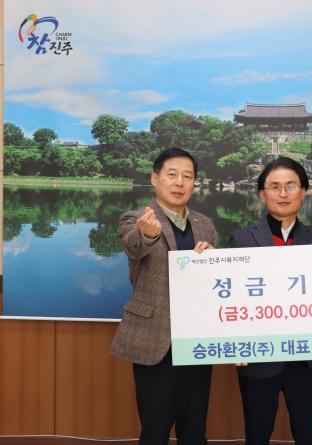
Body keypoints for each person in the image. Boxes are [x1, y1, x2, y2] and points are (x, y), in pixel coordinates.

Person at [229, 156, 312, 445]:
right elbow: (231, 298)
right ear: (262, 194)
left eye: (291, 186)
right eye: (274, 187)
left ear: (304, 192)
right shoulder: (241, 240)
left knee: (308, 433)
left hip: (306, 358)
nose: (283, 193)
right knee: (256, 435)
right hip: (258, 356)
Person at [110, 148, 218, 445]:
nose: (179, 183)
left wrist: (214, 260)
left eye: (187, 176)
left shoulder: (205, 224)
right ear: (155, 179)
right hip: (154, 338)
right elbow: (133, 246)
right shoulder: (136, 218)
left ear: (195, 182)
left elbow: (217, 283)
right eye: (172, 175)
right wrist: (147, 233)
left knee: (194, 429)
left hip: (196, 339)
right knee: (155, 429)